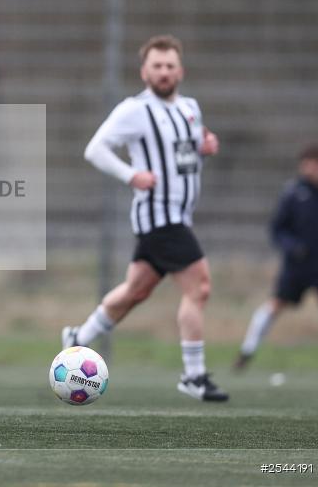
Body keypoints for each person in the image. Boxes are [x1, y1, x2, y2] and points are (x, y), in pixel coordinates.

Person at [61, 35, 229, 402]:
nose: (164, 72)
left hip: (179, 215)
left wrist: (204, 149)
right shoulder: (134, 110)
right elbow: (96, 149)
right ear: (144, 71)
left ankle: (78, 338)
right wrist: (130, 175)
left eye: (170, 66)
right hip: (160, 217)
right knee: (199, 287)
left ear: (180, 70)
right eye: (157, 66)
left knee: (136, 290)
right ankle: (194, 376)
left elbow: (185, 157)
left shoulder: (190, 108)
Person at [234, 144, 318, 370]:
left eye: (314, 165)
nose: (309, 170)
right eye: (305, 165)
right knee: (275, 305)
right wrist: (292, 246)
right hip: (298, 266)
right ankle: (247, 352)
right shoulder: (293, 193)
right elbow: (277, 229)